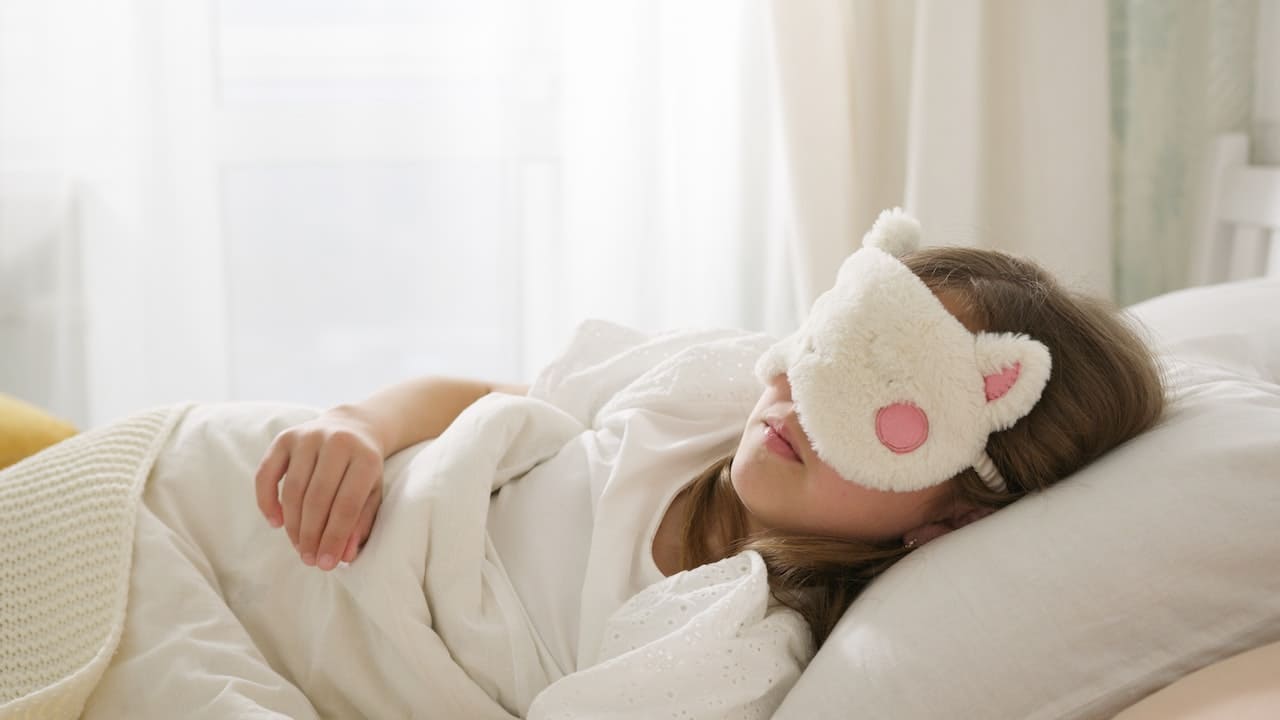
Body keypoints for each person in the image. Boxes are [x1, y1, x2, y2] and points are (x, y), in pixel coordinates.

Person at [255, 218, 1166, 656]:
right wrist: (357, 425)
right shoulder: (711, 392)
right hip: (284, 486)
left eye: (867, 397)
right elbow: (487, 397)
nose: (792, 390)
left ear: (956, 515)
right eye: (822, 345)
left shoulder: (732, 644)